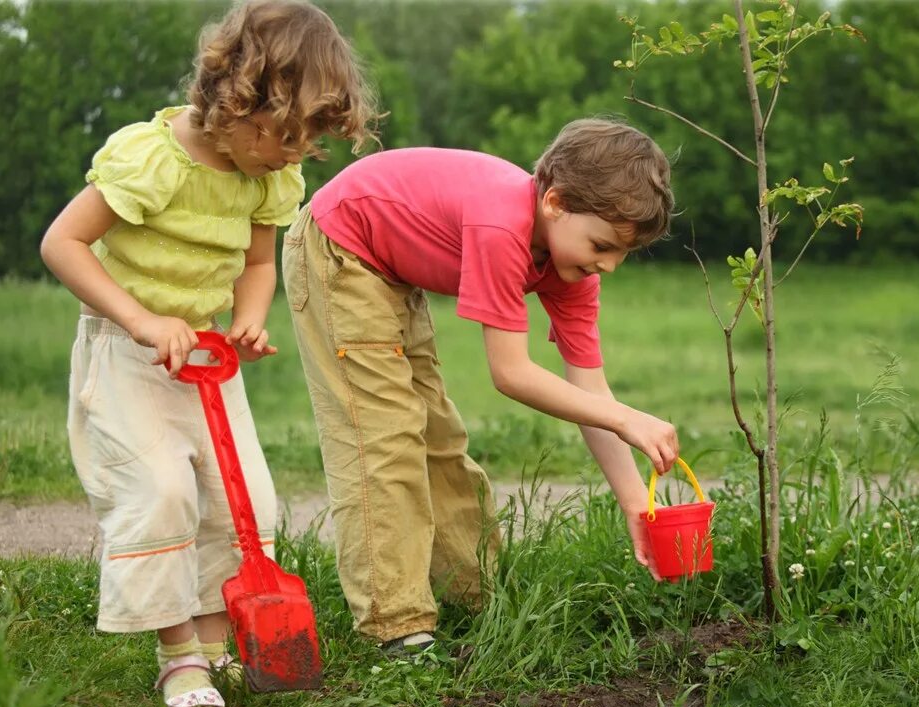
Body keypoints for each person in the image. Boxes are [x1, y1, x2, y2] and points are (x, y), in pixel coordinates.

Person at [39, 0, 375, 707]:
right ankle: (179, 654)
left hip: (206, 357)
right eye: (283, 136)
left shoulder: (266, 176)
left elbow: (257, 261)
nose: (292, 155)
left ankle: (221, 642)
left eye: (305, 143)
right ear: (234, 99)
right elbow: (61, 243)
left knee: (243, 501)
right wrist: (139, 318)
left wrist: (250, 319)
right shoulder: (152, 159)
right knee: (160, 490)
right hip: (127, 352)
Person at [282, 117, 681, 655]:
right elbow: (510, 374)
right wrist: (627, 418)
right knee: (385, 439)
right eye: (603, 245)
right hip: (340, 250)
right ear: (556, 203)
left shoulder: (572, 269)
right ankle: (396, 626)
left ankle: (474, 597)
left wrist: (637, 503)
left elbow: (592, 393)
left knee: (438, 439)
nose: (608, 266)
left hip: (394, 273)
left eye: (621, 254)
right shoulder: (502, 226)